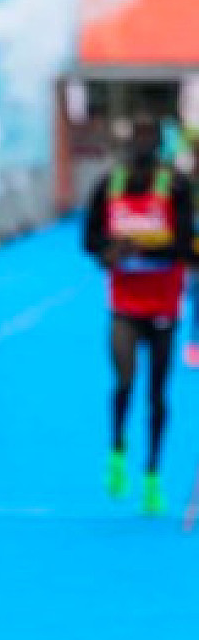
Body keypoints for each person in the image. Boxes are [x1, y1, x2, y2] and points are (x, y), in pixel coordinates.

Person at [84, 115, 193, 515]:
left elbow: (186, 244)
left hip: (164, 306)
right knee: (125, 380)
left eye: (151, 136)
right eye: (138, 135)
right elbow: (89, 240)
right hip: (125, 305)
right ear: (129, 140)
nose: (143, 142)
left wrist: (141, 247)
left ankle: (152, 474)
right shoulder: (107, 185)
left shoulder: (176, 185)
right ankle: (117, 448)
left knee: (157, 393)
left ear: (160, 142)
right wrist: (108, 252)